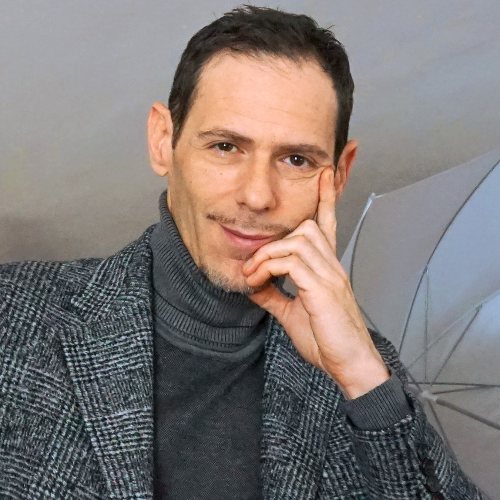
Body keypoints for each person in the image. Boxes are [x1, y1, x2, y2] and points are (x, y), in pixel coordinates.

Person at [0, 5, 485, 500]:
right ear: (163, 140)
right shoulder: (13, 315)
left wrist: (363, 380)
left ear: (338, 175)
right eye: (226, 147)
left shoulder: (363, 370)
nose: (257, 196)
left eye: (296, 159)